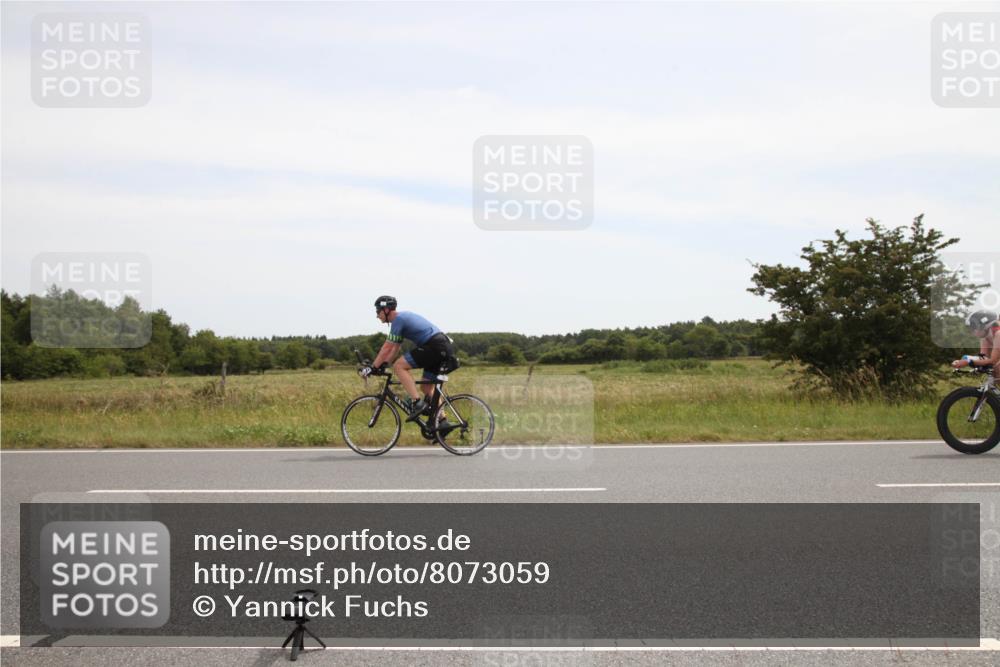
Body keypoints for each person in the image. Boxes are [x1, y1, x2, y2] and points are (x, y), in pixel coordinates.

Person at [362, 296, 459, 420]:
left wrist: (372, 367)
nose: (377, 315)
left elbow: (386, 348)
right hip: (441, 347)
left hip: (434, 346)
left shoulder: (398, 320)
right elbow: (395, 348)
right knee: (427, 387)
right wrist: (384, 365)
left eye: (378, 311)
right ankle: (442, 422)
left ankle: (416, 402)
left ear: (386, 310)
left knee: (399, 366)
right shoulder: (400, 320)